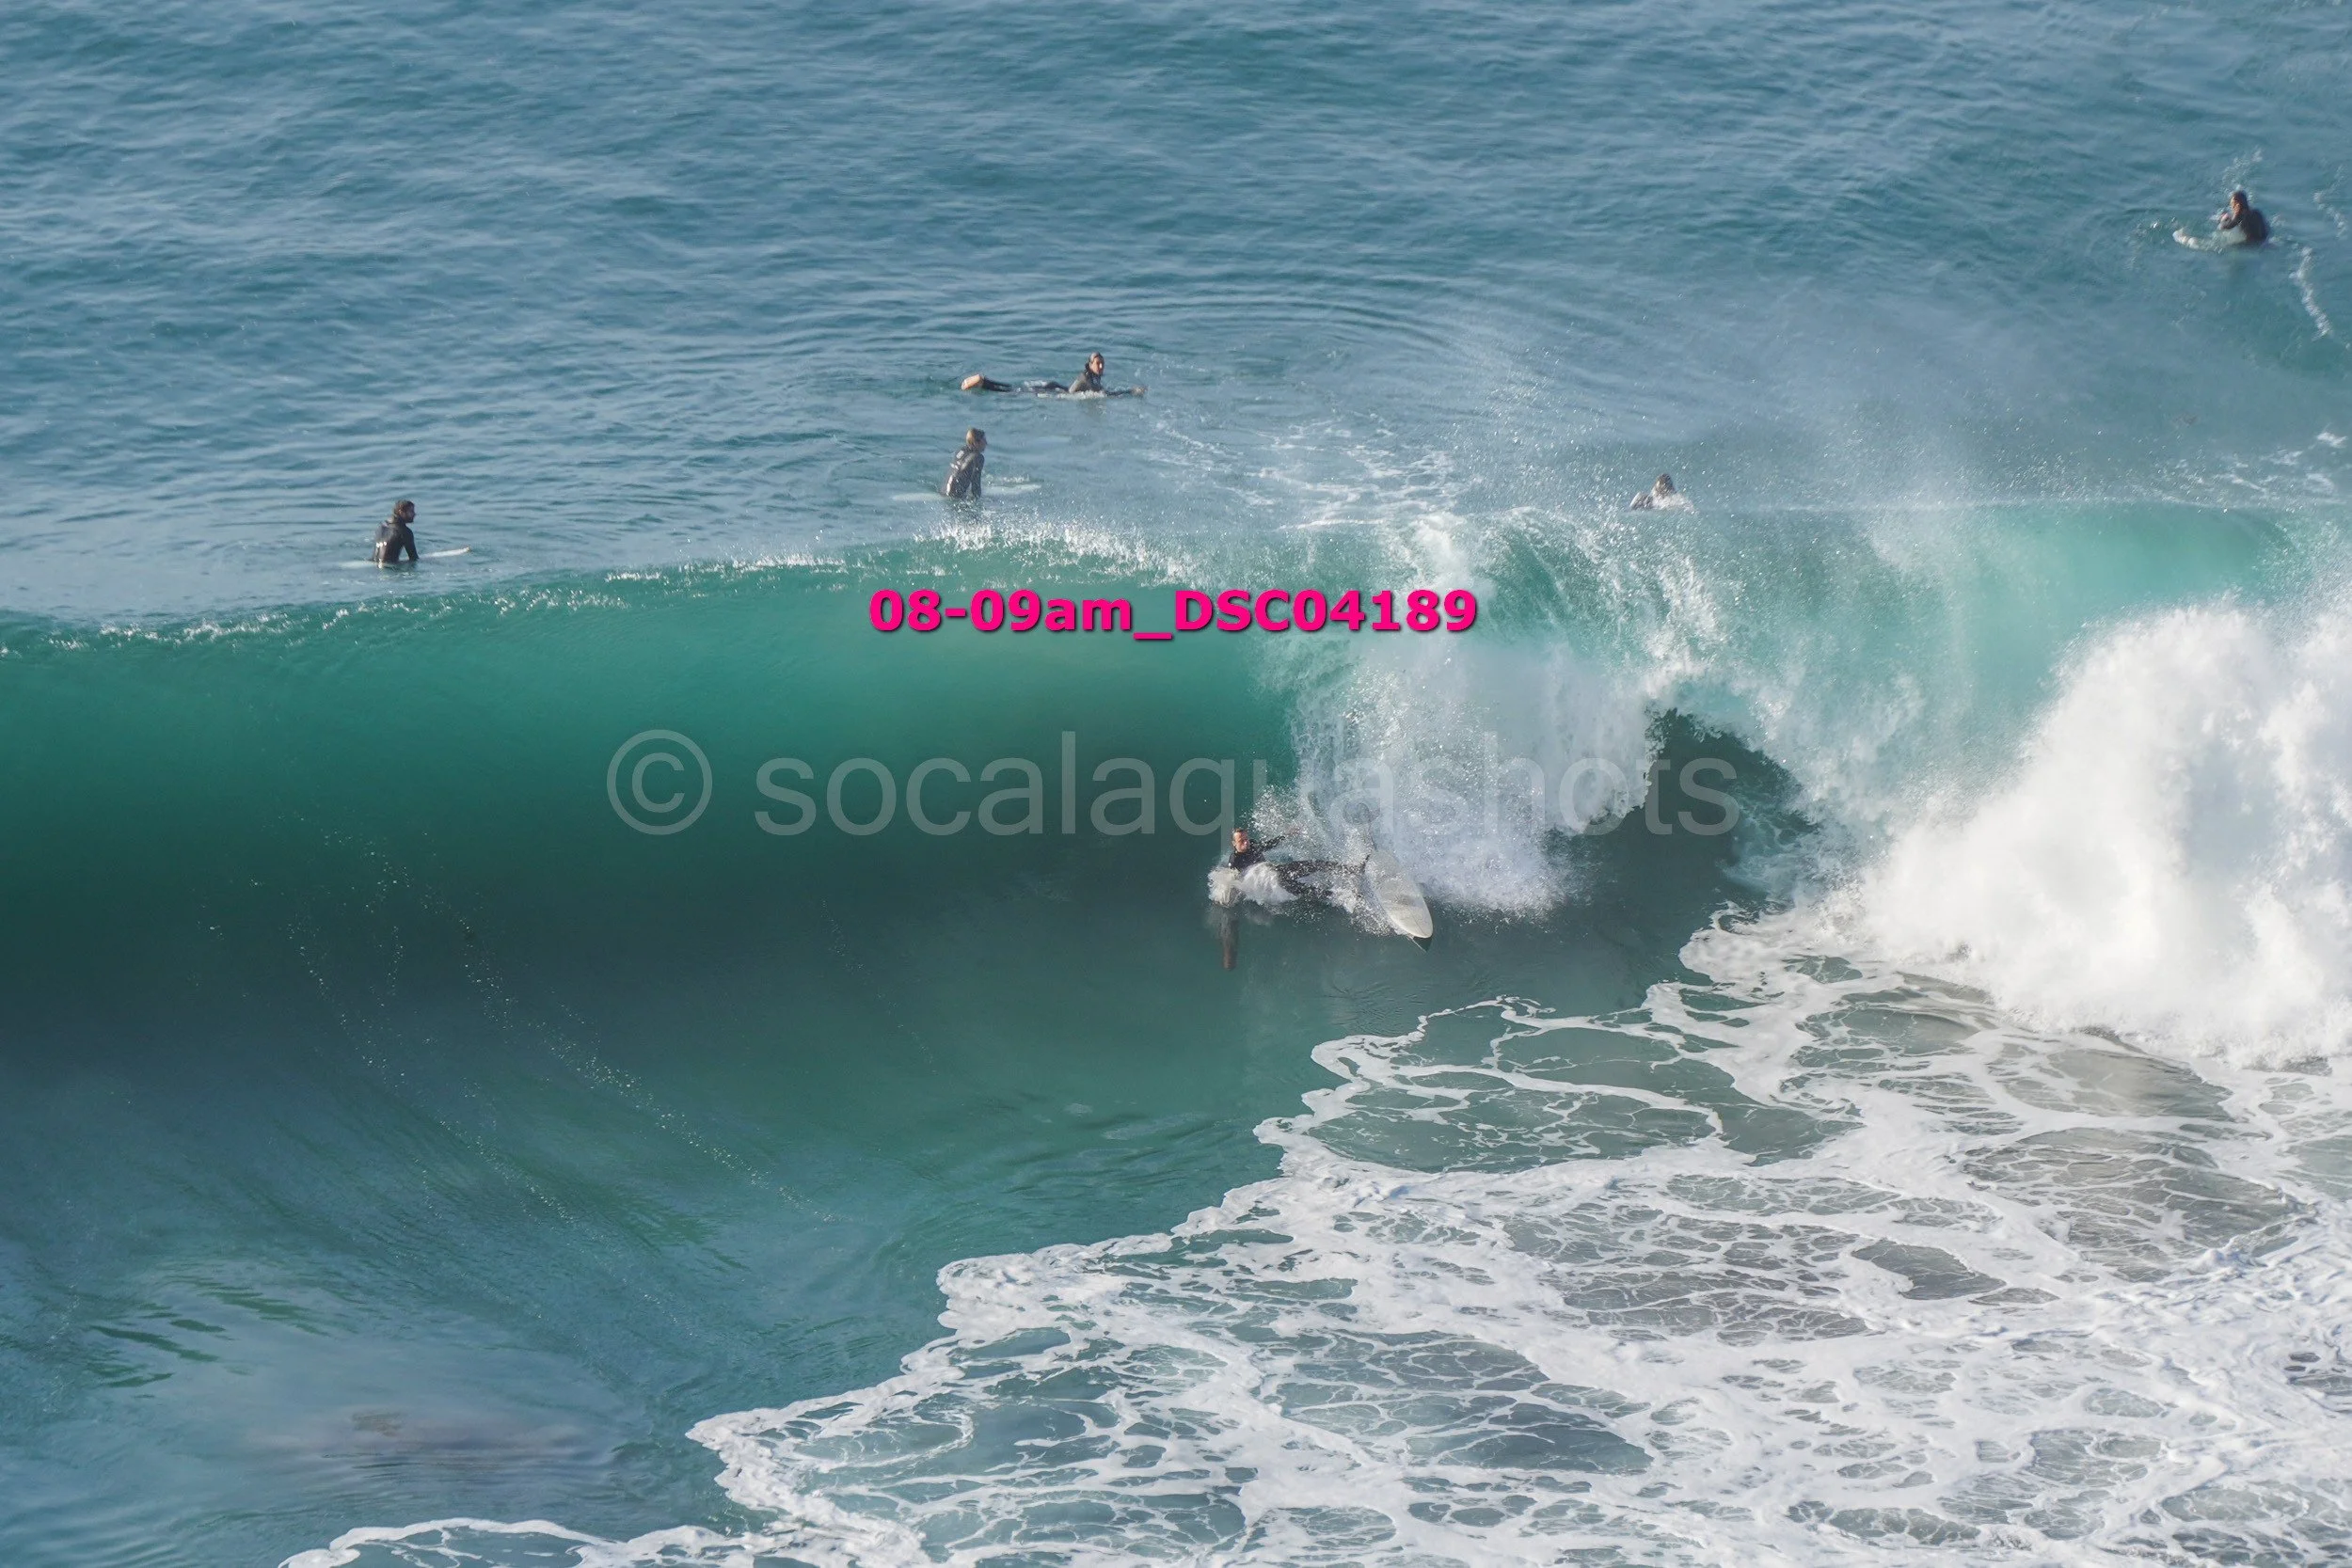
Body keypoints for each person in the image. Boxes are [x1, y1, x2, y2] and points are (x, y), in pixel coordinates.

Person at [961, 353, 1137, 395]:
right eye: (1097, 363)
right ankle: (983, 382)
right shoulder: (1086, 378)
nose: (1100, 366)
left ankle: (984, 382)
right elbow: (1103, 394)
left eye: (1102, 363)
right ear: (1090, 364)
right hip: (1052, 390)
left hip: (1055, 387)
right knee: (1014, 392)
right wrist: (1129, 392)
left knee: (1015, 389)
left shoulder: (1093, 377)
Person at [373, 499, 419, 565]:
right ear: (401, 512)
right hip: (390, 568)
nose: (414, 514)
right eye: (411, 511)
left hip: (374, 564)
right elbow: (414, 558)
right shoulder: (405, 532)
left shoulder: (381, 526)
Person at [943, 429, 986, 499]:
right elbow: (976, 484)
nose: (986, 443)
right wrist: (978, 500)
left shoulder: (961, 450)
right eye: (984, 440)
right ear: (975, 442)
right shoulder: (978, 457)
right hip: (955, 495)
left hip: (944, 491)